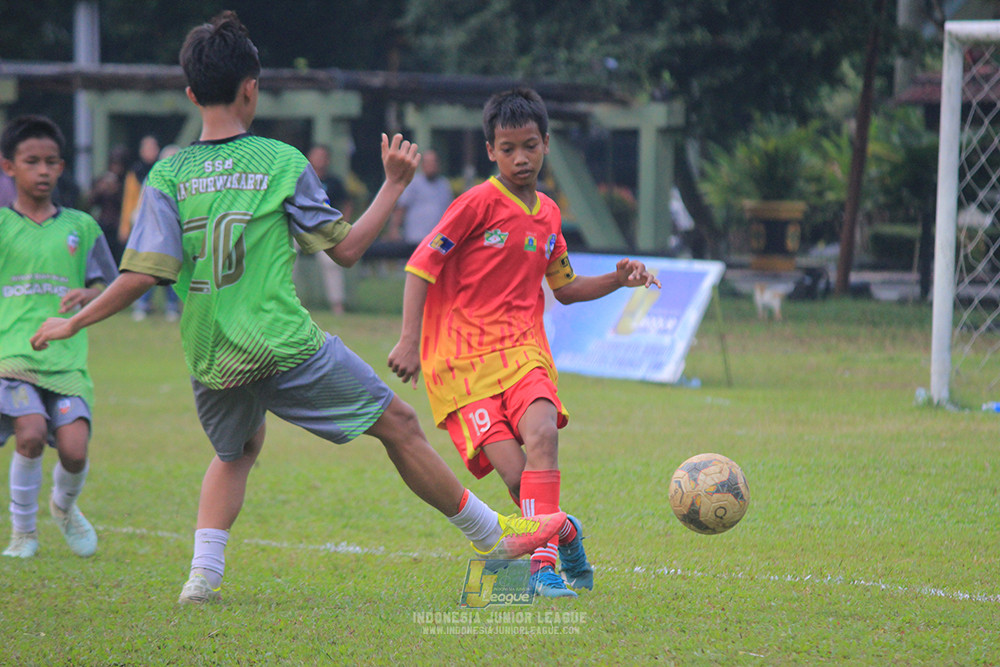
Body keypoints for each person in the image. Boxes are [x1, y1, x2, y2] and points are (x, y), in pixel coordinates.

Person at [30, 12, 565, 604]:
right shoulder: (281, 163)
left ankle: (201, 577)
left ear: (190, 93)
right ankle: (495, 537)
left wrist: (75, 320)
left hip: (209, 350)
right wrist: (393, 184)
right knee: (400, 425)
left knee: (235, 451)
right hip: (281, 343)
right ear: (251, 88)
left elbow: (139, 277)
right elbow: (349, 251)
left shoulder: (168, 173)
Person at [388, 88, 661, 598]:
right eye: (508, 147)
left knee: (543, 438)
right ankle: (567, 531)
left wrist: (618, 280)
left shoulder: (550, 215)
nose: (520, 158)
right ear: (490, 150)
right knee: (519, 484)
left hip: (523, 352)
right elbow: (420, 265)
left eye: (530, 146)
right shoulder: (474, 205)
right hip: (463, 367)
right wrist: (408, 341)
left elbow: (566, 287)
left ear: (546, 144)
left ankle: (541, 570)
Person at [0, 115, 119, 559]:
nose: (43, 170)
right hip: (12, 358)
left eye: (51, 162)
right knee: (30, 434)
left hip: (67, 361)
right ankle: (23, 534)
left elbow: (112, 287)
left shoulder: (82, 228)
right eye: (32, 161)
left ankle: (64, 506)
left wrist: (88, 293)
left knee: (74, 450)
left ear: (62, 167)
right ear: (9, 166)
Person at [121, 136, 181, 321]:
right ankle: (142, 304)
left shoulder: (185, 179)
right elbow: (140, 203)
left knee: (173, 270)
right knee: (148, 269)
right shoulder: (153, 176)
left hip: (176, 233)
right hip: (153, 231)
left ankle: (172, 307)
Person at [304, 144, 351, 315]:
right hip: (299, 226)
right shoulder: (300, 178)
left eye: (323, 156)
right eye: (316, 155)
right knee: (284, 257)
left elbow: (346, 203)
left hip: (324, 229)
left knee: (330, 264)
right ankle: (289, 302)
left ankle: (337, 305)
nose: (319, 160)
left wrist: (344, 225)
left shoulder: (334, 181)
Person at [386, 149, 453, 244]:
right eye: (427, 162)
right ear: (422, 165)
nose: (431, 165)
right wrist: (394, 230)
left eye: (433, 162)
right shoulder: (413, 182)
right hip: (415, 238)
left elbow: (449, 212)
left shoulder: (444, 184)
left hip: (437, 240)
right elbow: (401, 208)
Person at [86, 145, 128, 264]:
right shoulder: (102, 180)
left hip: (119, 226)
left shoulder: (126, 182)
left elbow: (128, 205)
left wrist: (116, 191)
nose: (116, 168)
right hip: (104, 224)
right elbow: (90, 203)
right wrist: (100, 189)